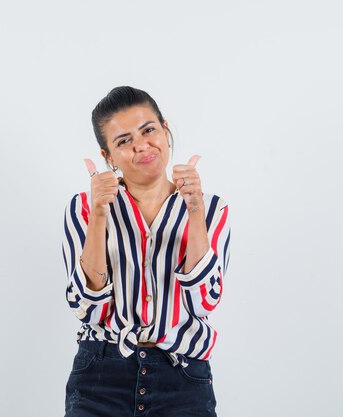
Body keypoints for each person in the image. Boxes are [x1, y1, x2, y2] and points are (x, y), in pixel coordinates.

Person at [61, 86, 231, 417]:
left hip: (181, 377)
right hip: (101, 374)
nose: (141, 145)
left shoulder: (211, 210)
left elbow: (203, 301)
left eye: (149, 130)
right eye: (124, 141)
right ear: (108, 156)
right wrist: (99, 217)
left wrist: (194, 213)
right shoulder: (83, 208)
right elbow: (86, 308)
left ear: (165, 131)